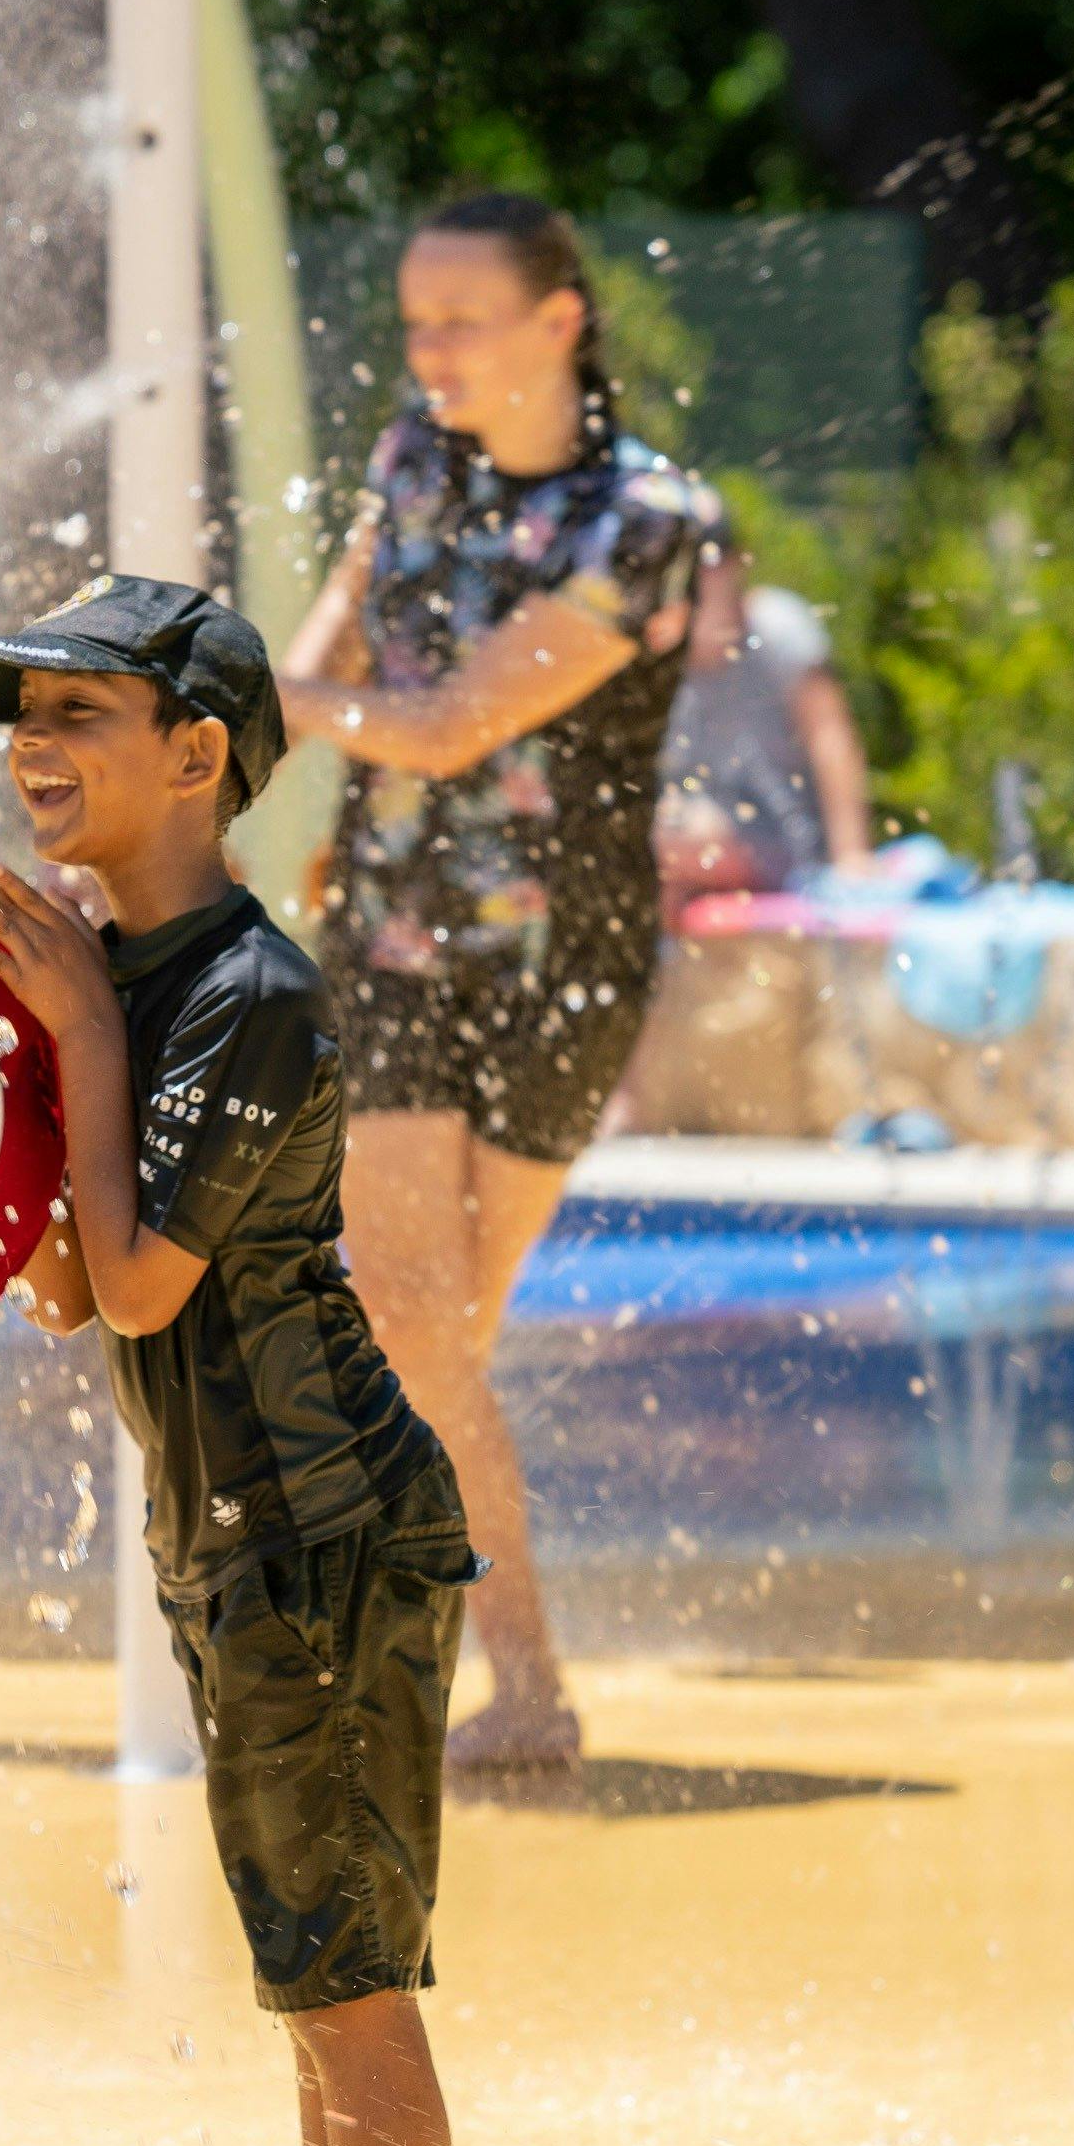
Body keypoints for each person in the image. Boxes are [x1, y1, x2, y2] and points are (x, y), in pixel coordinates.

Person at [0, 576, 477, 2146]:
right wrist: (33, 1041)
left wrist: (73, 1022)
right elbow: (73, 1280)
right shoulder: (130, 972)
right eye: (23, 711)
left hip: (324, 1534)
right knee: (314, 1984)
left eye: (82, 704)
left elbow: (151, 1278)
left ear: (200, 755)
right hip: (239, 1537)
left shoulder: (245, 991)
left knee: (353, 1995)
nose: (35, 742)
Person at [276, 190, 724, 1770]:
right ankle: (511, 1683)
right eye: (415, 323)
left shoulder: (652, 518)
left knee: (439, 1330)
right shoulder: (415, 451)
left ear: (562, 321)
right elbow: (347, 611)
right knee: (400, 1306)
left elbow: (458, 717)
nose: (432, 351)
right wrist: (261, 713)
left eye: (463, 320)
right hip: (394, 927)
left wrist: (264, 691)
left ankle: (459, 1657)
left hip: (561, 960)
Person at [651, 581, 876, 908]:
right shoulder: (662, 651)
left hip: (787, 843)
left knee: (661, 838)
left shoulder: (775, 627)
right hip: (695, 848)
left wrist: (852, 855)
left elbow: (830, 738)